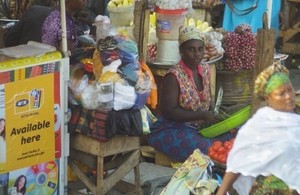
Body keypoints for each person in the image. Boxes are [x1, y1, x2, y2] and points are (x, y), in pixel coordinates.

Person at [147, 25, 234, 162]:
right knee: (208, 149)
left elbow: (207, 102)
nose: (197, 54)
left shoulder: (205, 70)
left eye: (200, 49)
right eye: (191, 49)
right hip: (171, 129)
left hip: (198, 127)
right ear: (181, 51)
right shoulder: (173, 76)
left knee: (230, 137)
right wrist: (202, 115)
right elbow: (169, 111)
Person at [216, 63, 300, 194]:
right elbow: (238, 163)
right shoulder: (258, 127)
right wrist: (221, 192)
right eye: (281, 93)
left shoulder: (295, 122)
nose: (288, 96)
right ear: (268, 98)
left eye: (290, 90)